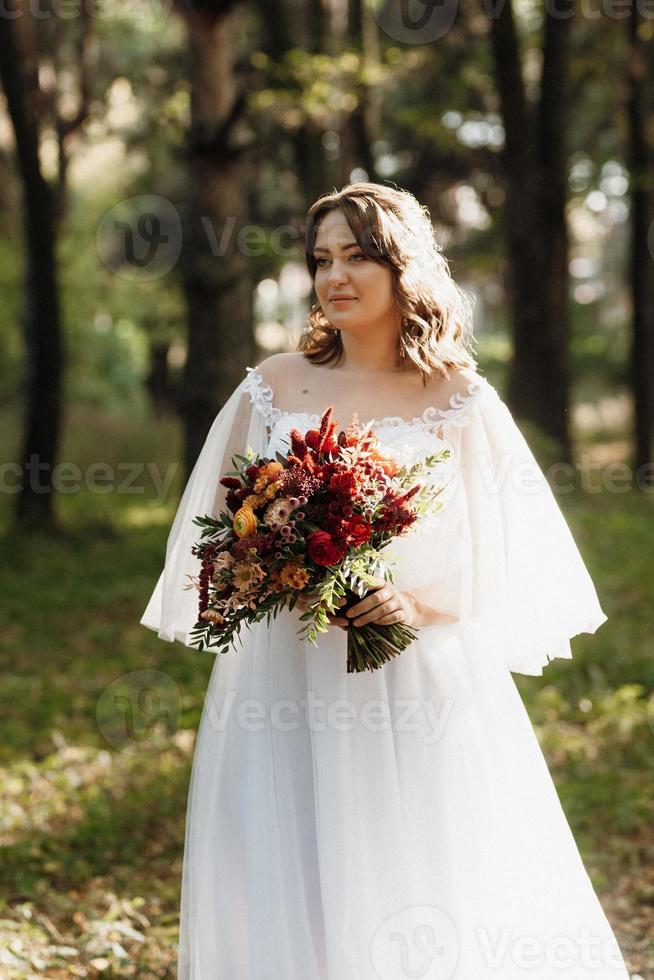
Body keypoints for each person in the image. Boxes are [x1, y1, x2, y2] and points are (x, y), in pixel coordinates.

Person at [140, 182, 632, 979]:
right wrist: (275, 566)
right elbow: (215, 544)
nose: (335, 276)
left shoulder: (461, 399)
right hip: (286, 674)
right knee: (288, 867)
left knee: (425, 877)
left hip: (416, 683)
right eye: (322, 259)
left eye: (358, 257)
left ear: (406, 268)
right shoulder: (273, 385)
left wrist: (414, 602)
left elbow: (508, 564)